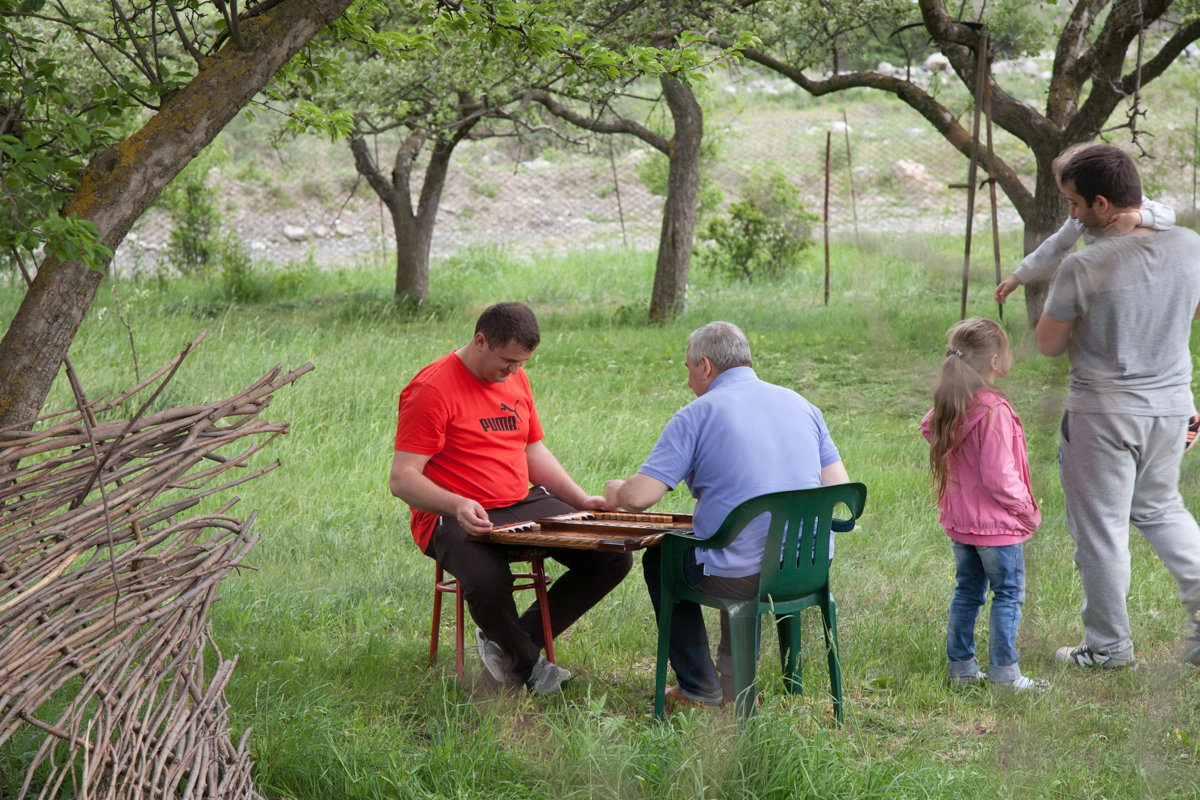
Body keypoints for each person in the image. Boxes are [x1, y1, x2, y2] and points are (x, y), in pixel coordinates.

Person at [389, 302, 632, 694]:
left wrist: (581, 499)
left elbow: (533, 451)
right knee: (487, 579)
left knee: (611, 555)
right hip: (453, 514)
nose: (515, 372)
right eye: (508, 362)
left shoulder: (516, 378)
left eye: (522, 363)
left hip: (521, 500)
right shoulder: (431, 389)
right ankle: (528, 664)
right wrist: (455, 504)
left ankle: (508, 645)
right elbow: (402, 479)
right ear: (481, 341)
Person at [604, 321, 850, 707]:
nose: (688, 382)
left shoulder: (697, 414)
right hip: (807, 568)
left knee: (663, 557)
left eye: (687, 369)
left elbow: (640, 498)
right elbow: (838, 487)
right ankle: (738, 685)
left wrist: (616, 491)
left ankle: (698, 688)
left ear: (705, 365)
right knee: (729, 550)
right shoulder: (803, 406)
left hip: (739, 576)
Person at [1035, 144, 1200, 670]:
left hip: (1102, 415)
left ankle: (1107, 648)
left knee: (1102, 529)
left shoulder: (1084, 266)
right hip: (1173, 407)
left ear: (1102, 204)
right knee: (1160, 509)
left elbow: (1047, 344)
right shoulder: (1191, 244)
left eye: (1075, 204)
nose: (1073, 215)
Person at [921, 318, 1045, 691]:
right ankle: (1005, 675)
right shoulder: (993, 409)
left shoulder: (952, 403)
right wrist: (1027, 508)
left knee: (967, 593)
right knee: (1007, 593)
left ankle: (961, 671)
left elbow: (928, 427)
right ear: (994, 361)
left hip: (962, 525)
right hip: (997, 527)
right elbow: (998, 477)